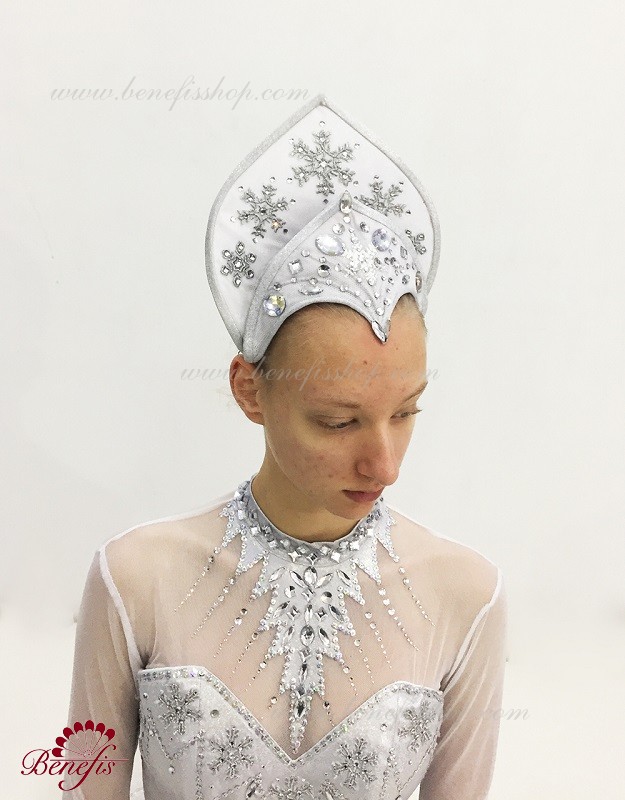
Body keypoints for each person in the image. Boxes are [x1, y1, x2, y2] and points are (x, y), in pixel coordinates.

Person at [63, 95, 507, 799]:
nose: (385, 465)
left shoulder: (466, 594)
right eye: (337, 421)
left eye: (406, 412)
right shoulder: (136, 579)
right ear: (250, 390)